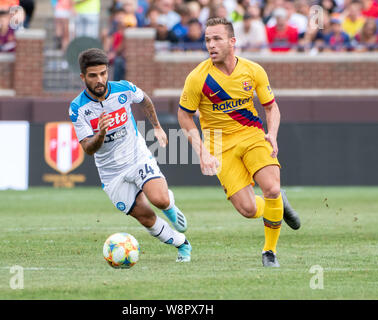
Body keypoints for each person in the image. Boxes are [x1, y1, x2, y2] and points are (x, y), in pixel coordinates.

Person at [177, 17, 300, 268]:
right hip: (219, 144)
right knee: (247, 209)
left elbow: (271, 107)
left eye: (217, 39)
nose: (211, 44)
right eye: (207, 39)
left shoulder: (253, 70)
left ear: (232, 41)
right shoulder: (197, 77)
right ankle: (276, 205)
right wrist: (201, 152)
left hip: (252, 135)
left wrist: (272, 134)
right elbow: (184, 115)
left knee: (272, 187)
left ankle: (269, 252)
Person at [69, 48, 192, 262]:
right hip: (111, 173)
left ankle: (170, 206)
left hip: (137, 157)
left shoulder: (123, 89)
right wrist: (100, 134)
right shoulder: (77, 108)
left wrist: (157, 127)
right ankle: (182, 244)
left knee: (160, 200)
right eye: (93, 76)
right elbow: (88, 149)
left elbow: (144, 100)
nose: (100, 80)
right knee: (145, 217)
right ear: (83, 77)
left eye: (103, 73)